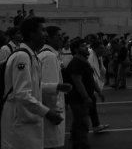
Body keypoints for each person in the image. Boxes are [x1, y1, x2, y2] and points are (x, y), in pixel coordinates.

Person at [1, 17, 69, 149]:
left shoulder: (32, 56)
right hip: (19, 123)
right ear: (32, 33)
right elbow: (22, 94)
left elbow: (34, 87)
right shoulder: (23, 56)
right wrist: (47, 112)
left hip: (26, 120)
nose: (45, 34)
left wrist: (57, 86)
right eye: (42, 30)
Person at [66, 38, 106, 149]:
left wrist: (98, 91)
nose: (87, 48)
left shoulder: (83, 61)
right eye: (83, 46)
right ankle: (82, 145)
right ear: (76, 49)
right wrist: (86, 97)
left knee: (78, 124)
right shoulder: (76, 63)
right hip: (78, 100)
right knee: (83, 125)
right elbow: (78, 82)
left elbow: (90, 79)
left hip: (83, 99)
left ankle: (76, 142)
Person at [37, 26, 68, 149]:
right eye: (58, 37)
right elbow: (49, 89)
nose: (62, 40)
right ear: (48, 38)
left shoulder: (43, 54)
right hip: (51, 113)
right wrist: (54, 112)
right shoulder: (49, 57)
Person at [88, 40, 110, 133]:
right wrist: (99, 91)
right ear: (95, 49)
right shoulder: (90, 57)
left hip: (92, 85)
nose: (103, 49)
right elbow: (91, 76)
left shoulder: (99, 57)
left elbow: (102, 70)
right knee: (86, 109)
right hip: (88, 85)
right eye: (101, 48)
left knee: (91, 106)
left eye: (103, 47)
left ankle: (96, 125)